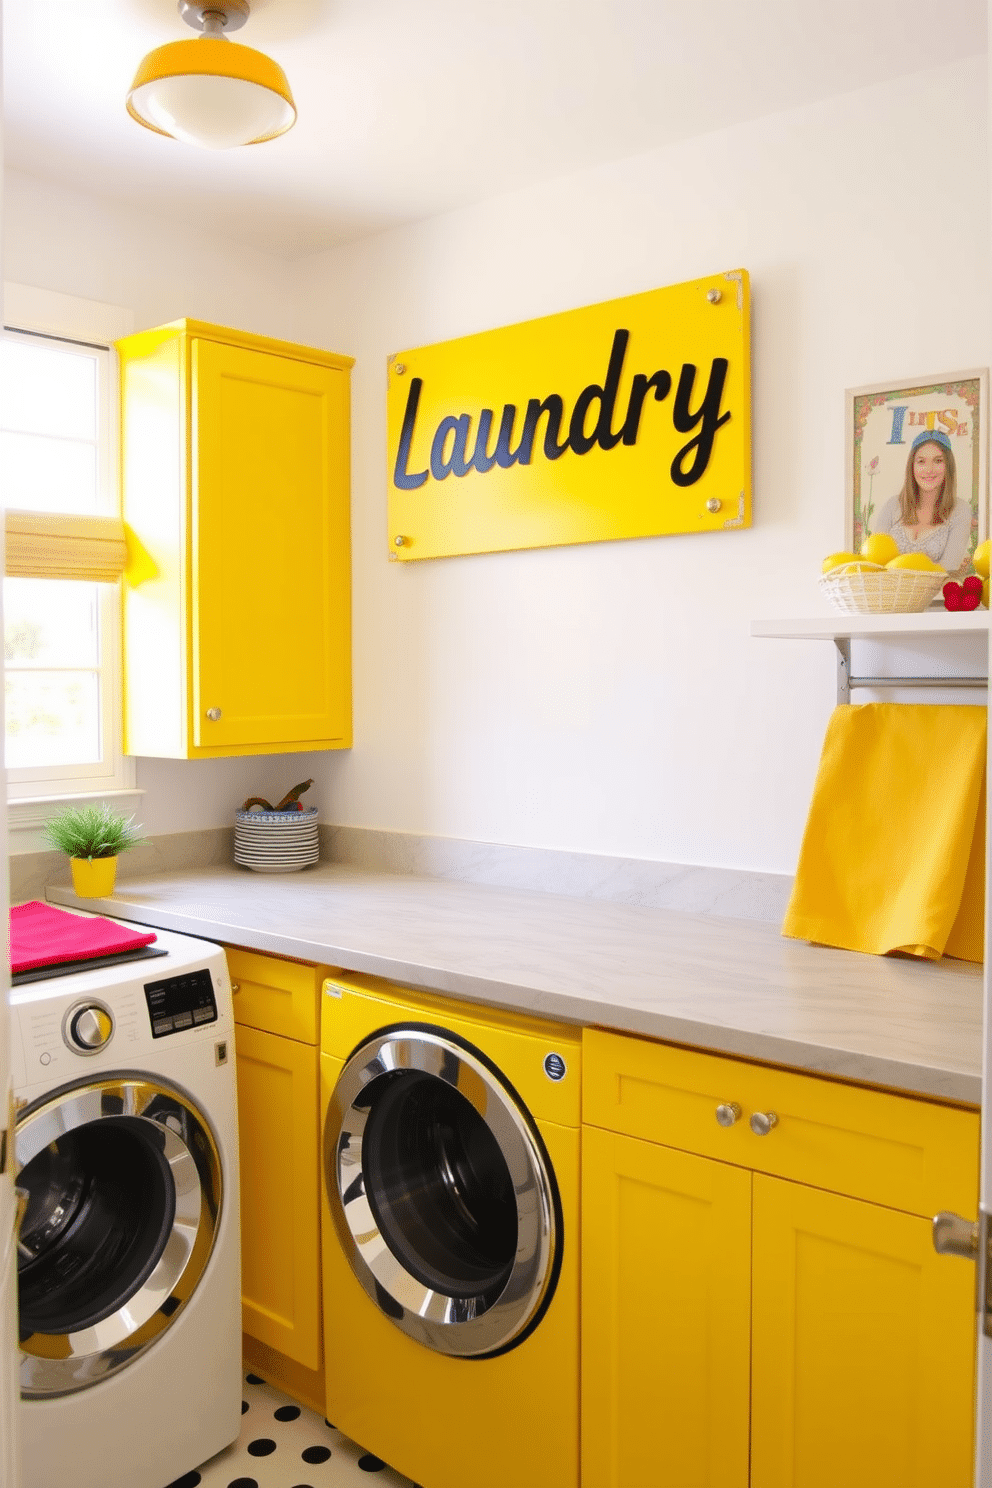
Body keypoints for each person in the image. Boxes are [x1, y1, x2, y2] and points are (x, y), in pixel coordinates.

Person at [872, 428, 973, 573]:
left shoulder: (960, 510)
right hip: (890, 594)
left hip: (936, 596)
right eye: (921, 461)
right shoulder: (892, 505)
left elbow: (948, 568)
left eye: (938, 461)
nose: (929, 469)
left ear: (948, 466)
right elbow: (875, 560)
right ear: (912, 466)